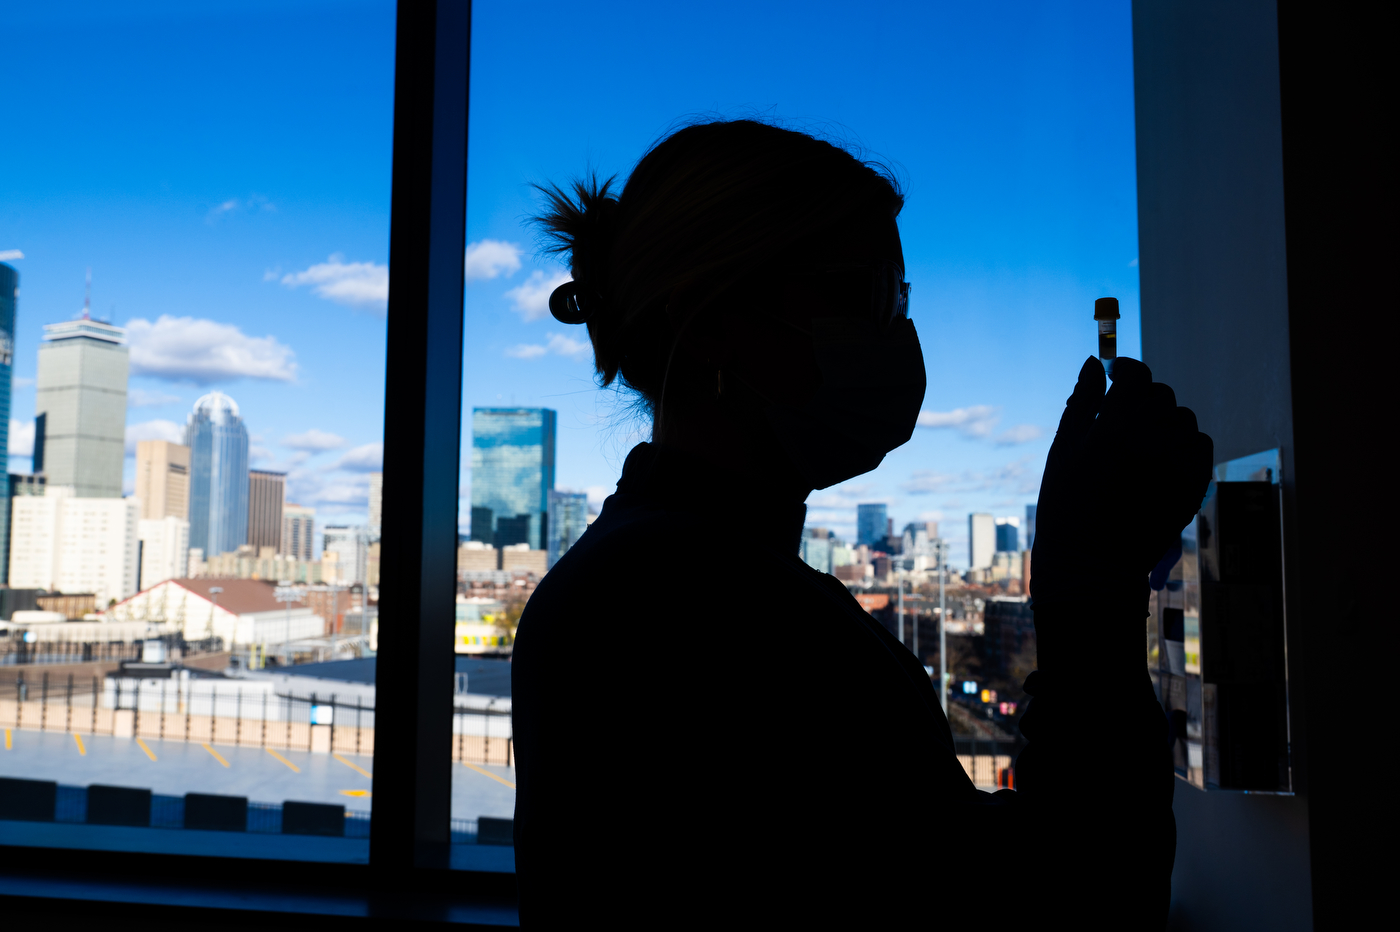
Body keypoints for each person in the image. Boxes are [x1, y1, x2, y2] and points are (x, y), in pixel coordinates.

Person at [510, 119, 1212, 928]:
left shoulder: (664, 572)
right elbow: (1067, 905)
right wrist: (1088, 599)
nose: (900, 335)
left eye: (902, 299)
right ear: (709, 324)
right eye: (867, 295)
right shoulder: (689, 602)